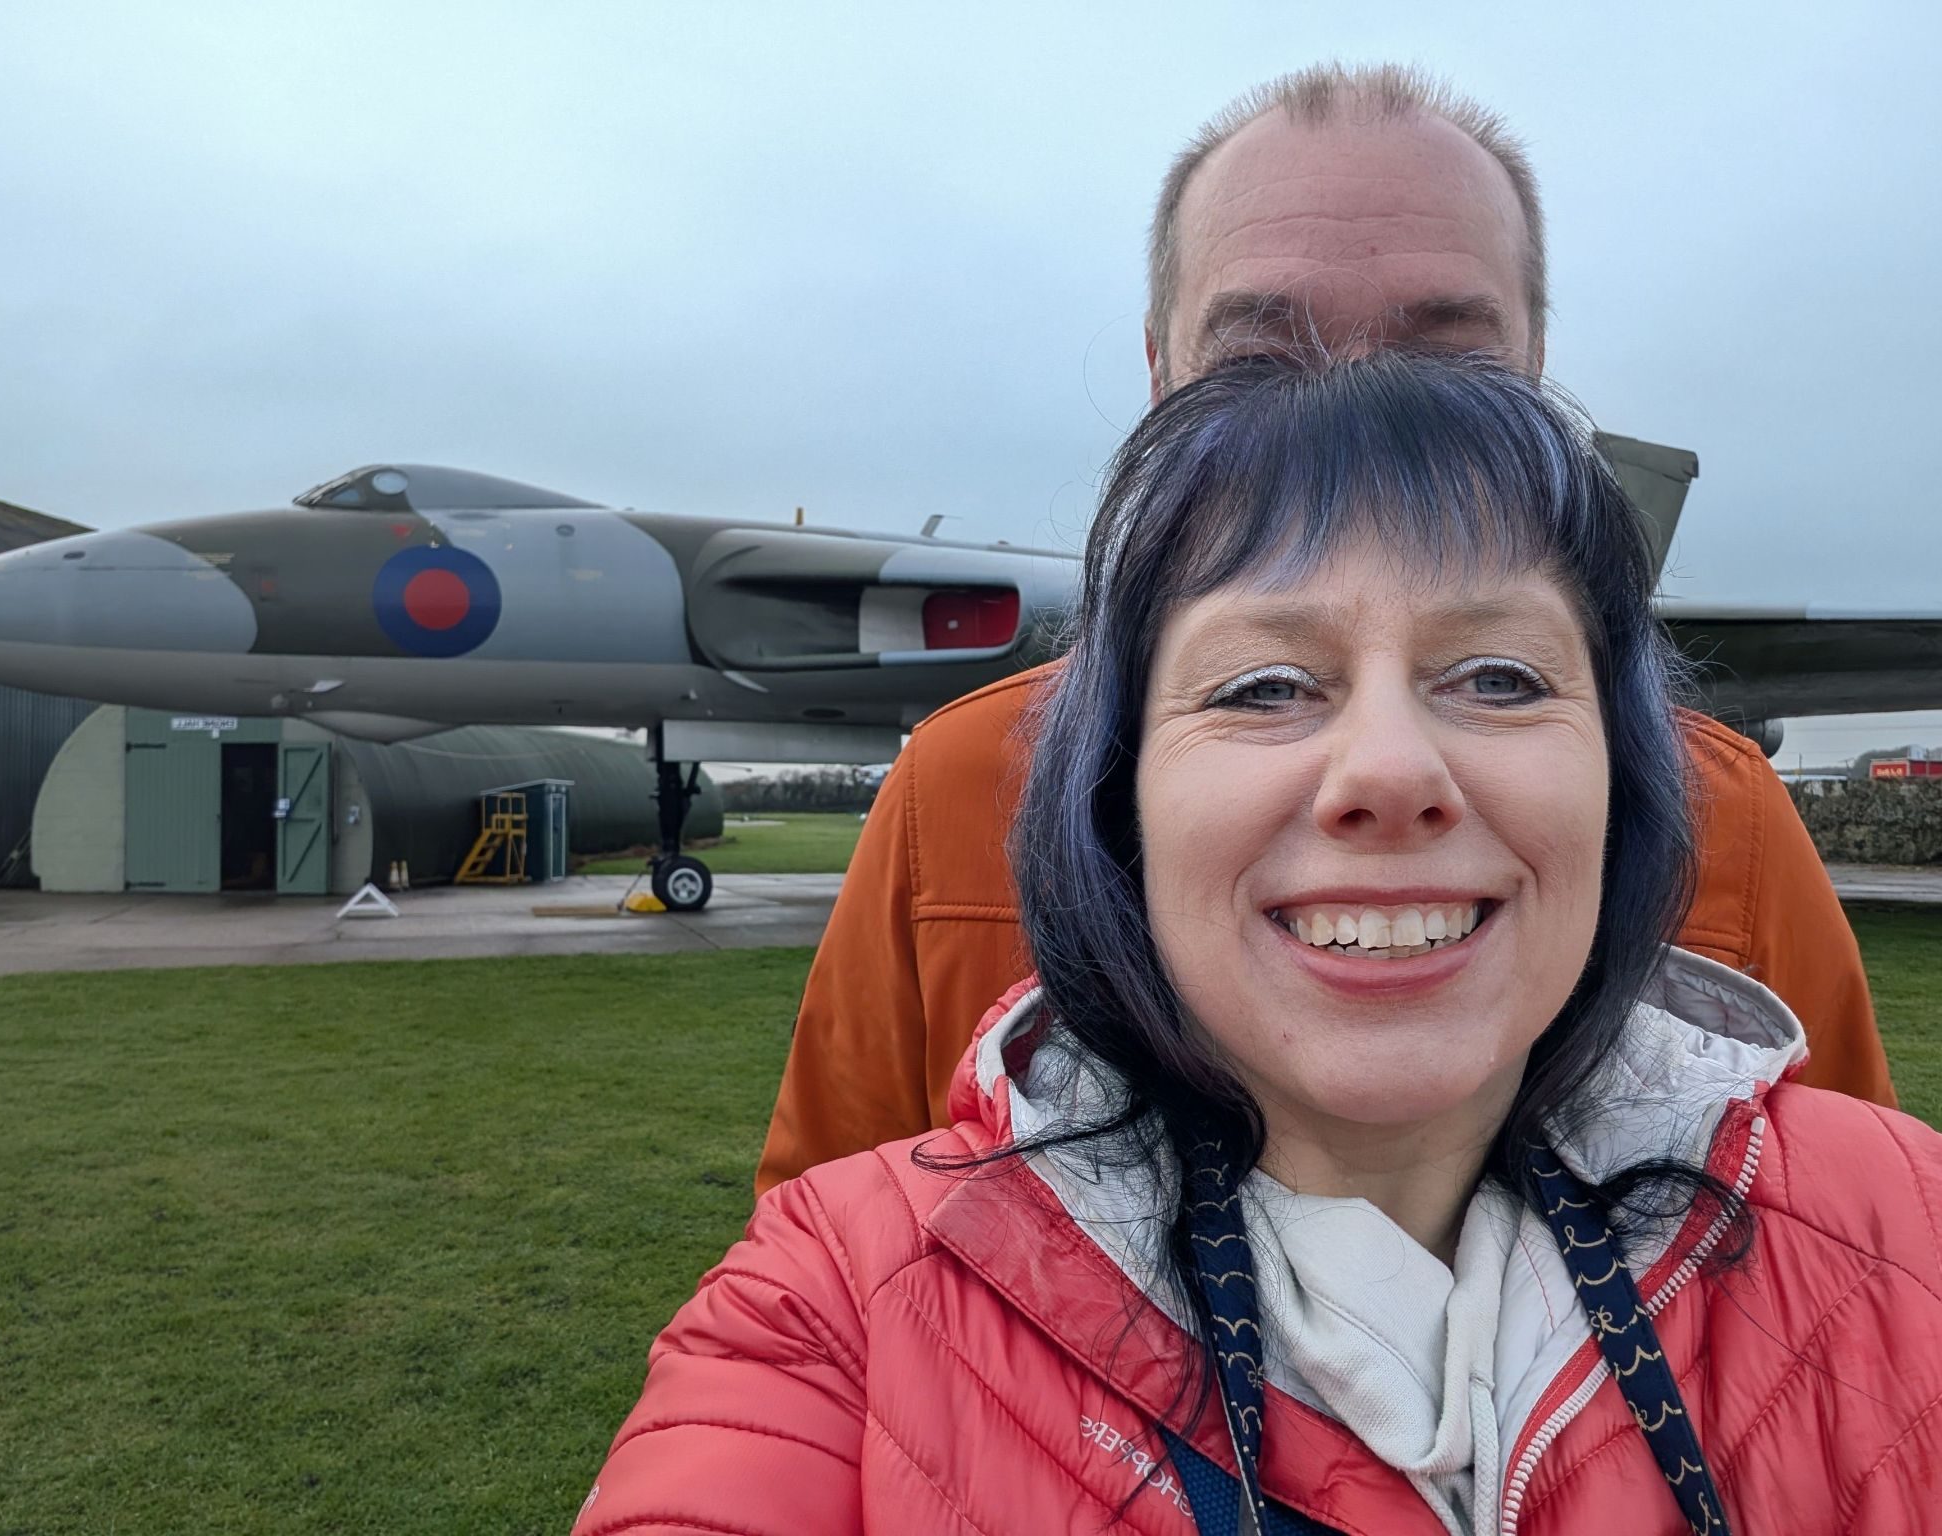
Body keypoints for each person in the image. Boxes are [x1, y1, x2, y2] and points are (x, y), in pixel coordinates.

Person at [579, 352, 1940, 1535]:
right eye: (1262, 686)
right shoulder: (843, 1309)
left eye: (1501, 677)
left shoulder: (1905, 1239)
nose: (1390, 772)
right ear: (1117, 804)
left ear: (1619, 786)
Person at [755, 65, 1892, 1200]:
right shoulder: (955, 787)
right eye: (1256, 369)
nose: (1352, 426)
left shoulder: (1728, 816)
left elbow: (1843, 1241)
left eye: (1448, 366)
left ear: (1537, 377)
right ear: (1159, 378)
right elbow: (837, 1233)